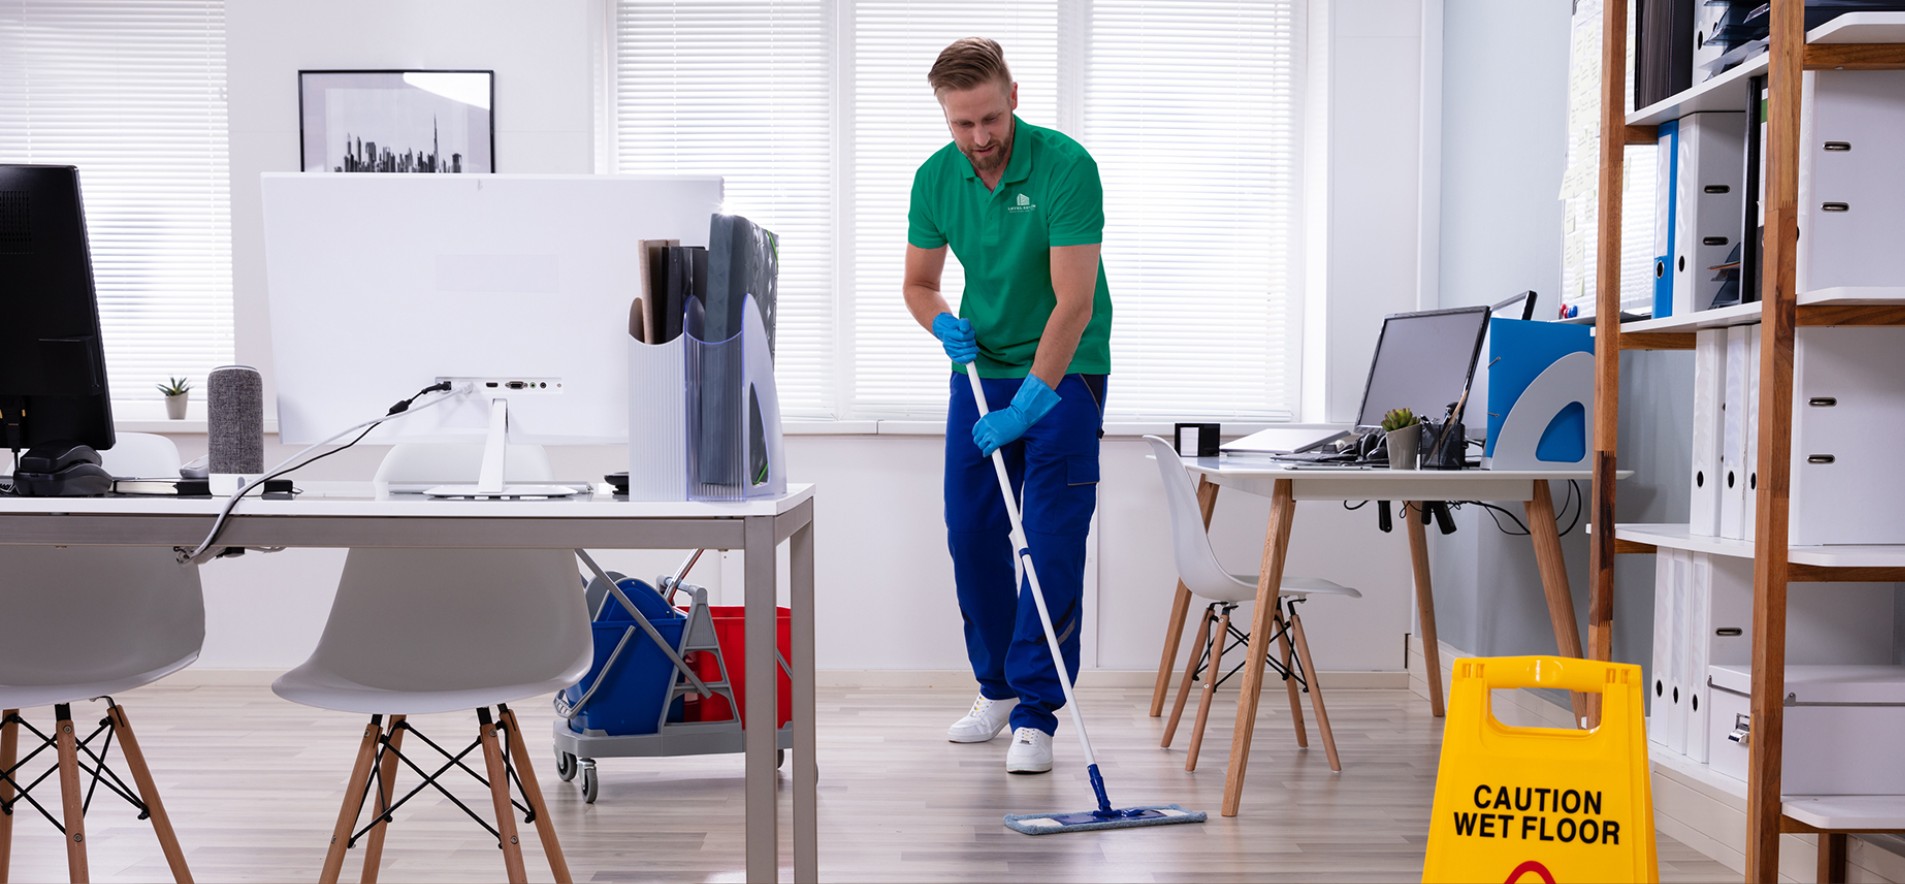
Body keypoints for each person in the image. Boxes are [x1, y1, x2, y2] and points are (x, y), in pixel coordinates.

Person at [902, 37, 1113, 775]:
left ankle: (1035, 713)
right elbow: (919, 285)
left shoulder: (1064, 167)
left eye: (989, 119)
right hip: (980, 371)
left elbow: (1074, 303)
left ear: (1013, 97)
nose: (979, 139)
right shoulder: (935, 179)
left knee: (1051, 539)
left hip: (1066, 371)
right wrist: (940, 322)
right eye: (961, 125)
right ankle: (993, 688)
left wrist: (1030, 403)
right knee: (972, 530)